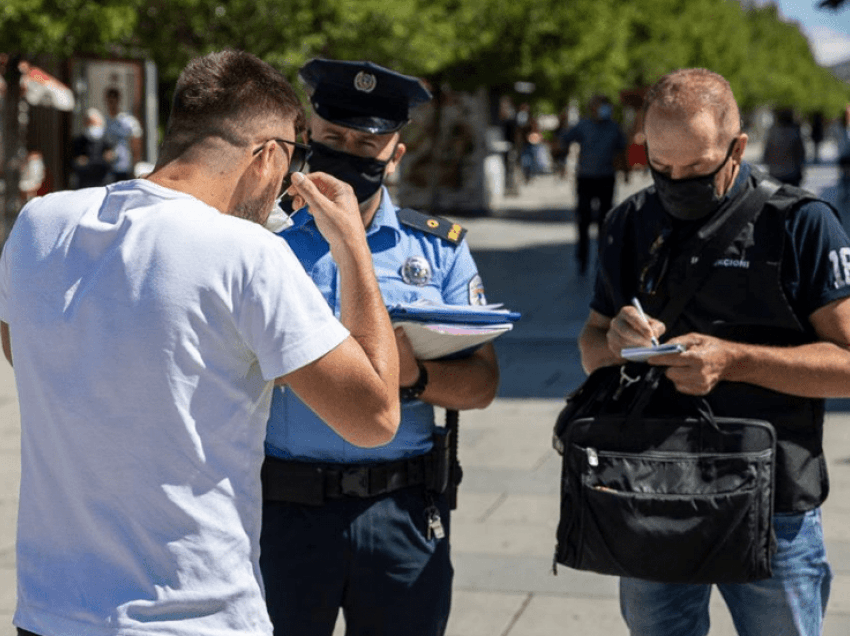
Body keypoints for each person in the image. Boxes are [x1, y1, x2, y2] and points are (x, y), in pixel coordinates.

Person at [0, 49, 402, 636]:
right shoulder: (248, 253)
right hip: (192, 615)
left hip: (51, 612)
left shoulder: (40, 224)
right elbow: (375, 416)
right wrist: (353, 249)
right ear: (268, 156)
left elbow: (24, 352)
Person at [578, 67, 850, 636]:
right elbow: (593, 343)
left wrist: (735, 359)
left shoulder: (802, 224)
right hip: (652, 491)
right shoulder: (629, 221)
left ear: (738, 147)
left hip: (775, 506)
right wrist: (616, 339)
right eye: (660, 165)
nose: (676, 182)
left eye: (698, 169)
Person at [260, 59, 500, 636]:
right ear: (306, 138)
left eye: (368, 143)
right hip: (284, 508)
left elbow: (483, 383)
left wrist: (414, 377)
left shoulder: (439, 251)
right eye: (333, 138)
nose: (348, 153)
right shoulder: (265, 244)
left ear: (396, 153)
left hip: (401, 510)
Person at [559, 95, 627, 274]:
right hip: (586, 178)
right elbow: (565, 139)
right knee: (583, 219)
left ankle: (603, 258)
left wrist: (625, 171)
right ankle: (582, 259)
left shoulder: (614, 128)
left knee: (605, 221)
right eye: (599, 105)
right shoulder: (583, 125)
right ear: (592, 108)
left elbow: (622, 150)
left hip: (606, 178)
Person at [104, 86, 143, 182]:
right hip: (107, 168)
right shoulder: (105, 122)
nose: (111, 104)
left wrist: (135, 166)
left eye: (114, 100)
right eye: (109, 101)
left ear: (118, 100)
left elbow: (136, 145)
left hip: (125, 167)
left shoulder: (128, 121)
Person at [70, 107, 115, 188]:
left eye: (94, 123)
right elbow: (76, 162)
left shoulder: (108, 140)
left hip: (103, 183)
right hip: (85, 184)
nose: (92, 126)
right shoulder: (79, 141)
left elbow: (111, 159)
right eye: (89, 123)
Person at [762, 107, 806, 186]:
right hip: (792, 172)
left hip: (775, 172)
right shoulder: (795, 132)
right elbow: (800, 154)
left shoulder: (772, 132)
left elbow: (767, 152)